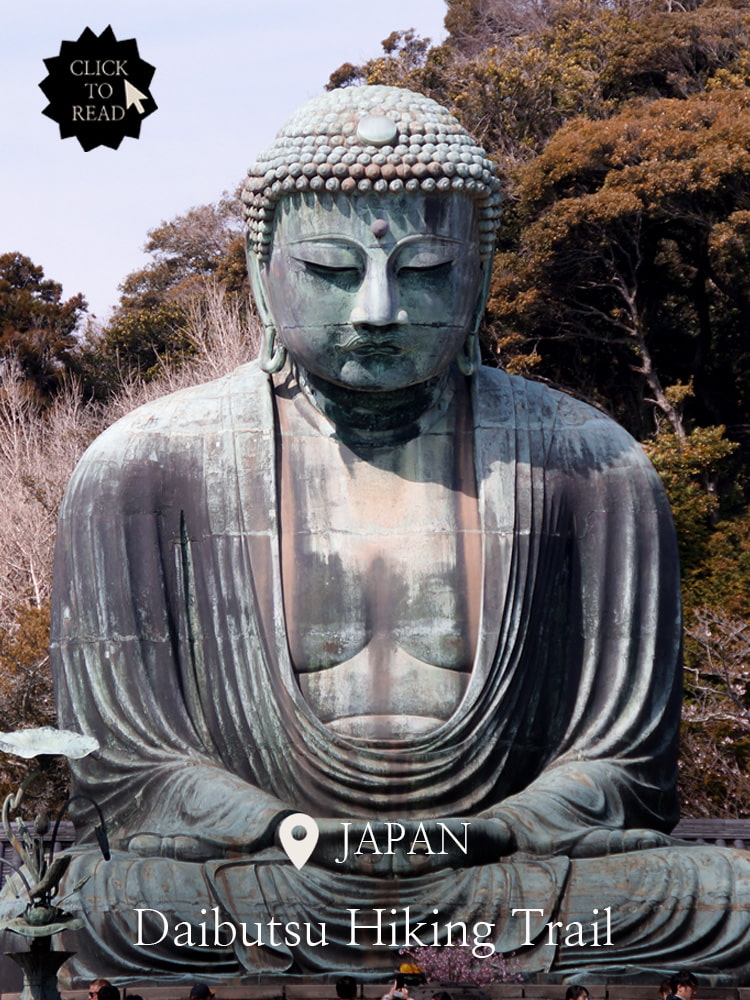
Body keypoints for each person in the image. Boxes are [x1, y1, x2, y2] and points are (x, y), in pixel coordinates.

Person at [30, 84, 750, 984]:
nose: (377, 310)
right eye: (332, 271)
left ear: (481, 277)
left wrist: (498, 828)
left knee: (724, 896)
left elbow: (625, 769)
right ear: (261, 273)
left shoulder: (589, 464)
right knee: (99, 899)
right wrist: (277, 828)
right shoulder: (143, 467)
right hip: (259, 874)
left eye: (424, 272)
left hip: (501, 870)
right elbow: (129, 772)